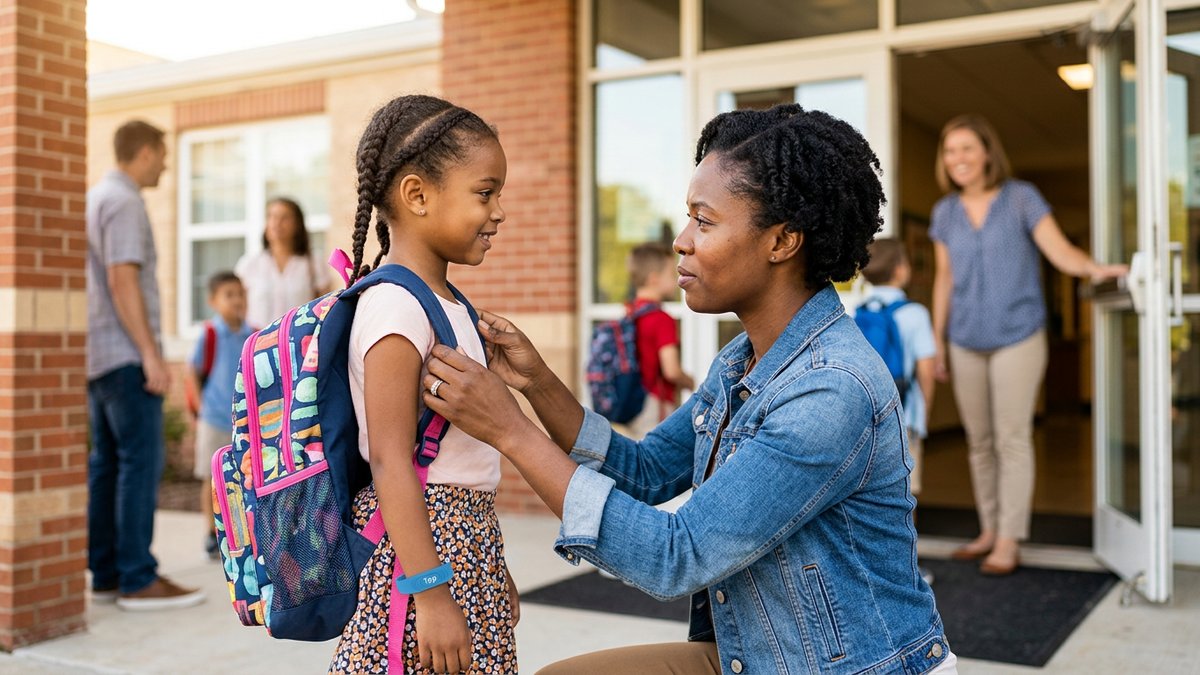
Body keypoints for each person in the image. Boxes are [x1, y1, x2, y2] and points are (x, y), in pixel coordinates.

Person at [423, 105, 956, 674]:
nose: (680, 241)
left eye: (704, 221)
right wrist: (538, 385)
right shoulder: (742, 359)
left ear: (782, 241)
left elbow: (676, 555)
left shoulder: (830, 388)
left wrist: (510, 429)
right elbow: (647, 471)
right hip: (761, 655)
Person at [327, 95, 518, 674]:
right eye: (485, 193)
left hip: (466, 540)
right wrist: (432, 593)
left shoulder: (450, 303)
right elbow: (389, 460)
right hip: (417, 556)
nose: (499, 212)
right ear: (417, 195)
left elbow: (464, 457)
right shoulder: (394, 309)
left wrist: (492, 564)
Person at [929, 114, 1127, 575]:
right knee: (979, 442)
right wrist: (938, 340)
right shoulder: (945, 212)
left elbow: (1058, 251)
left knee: (1012, 437)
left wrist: (1097, 270)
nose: (958, 158)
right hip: (965, 338)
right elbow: (944, 279)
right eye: (950, 150)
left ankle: (1009, 539)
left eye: (967, 148)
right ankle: (988, 528)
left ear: (987, 153)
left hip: (1018, 334)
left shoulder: (1021, 198)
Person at [86, 120, 205, 610]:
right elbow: (122, 280)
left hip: (99, 356)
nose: (167, 165)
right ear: (146, 152)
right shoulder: (124, 201)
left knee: (109, 464)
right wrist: (151, 355)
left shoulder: (97, 197)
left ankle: (109, 573)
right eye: (164, 155)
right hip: (126, 356)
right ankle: (138, 576)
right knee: (141, 462)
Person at [860, 237, 937, 585]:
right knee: (906, 493)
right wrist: (925, 413)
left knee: (872, 493)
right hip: (904, 416)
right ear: (902, 270)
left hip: (867, 419)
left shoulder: (859, 312)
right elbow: (926, 370)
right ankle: (905, 571)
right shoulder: (915, 314)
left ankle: (871, 566)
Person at [186, 271, 252, 561]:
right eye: (229, 295)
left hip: (244, 422)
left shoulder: (252, 334)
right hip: (213, 419)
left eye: (240, 293)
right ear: (213, 301)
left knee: (240, 478)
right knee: (210, 479)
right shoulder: (210, 335)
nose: (237, 300)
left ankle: (238, 533)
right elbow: (191, 370)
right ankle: (210, 534)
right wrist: (200, 408)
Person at [625, 241, 695, 438]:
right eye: (671, 275)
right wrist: (690, 381)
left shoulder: (631, 313)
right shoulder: (661, 319)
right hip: (656, 404)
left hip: (633, 400)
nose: (676, 280)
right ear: (654, 279)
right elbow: (671, 370)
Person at [235, 197, 328, 328]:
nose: (277, 223)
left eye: (285, 217)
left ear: (297, 224)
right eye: (272, 217)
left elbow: (325, 307)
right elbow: (237, 308)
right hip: (258, 342)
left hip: (299, 342)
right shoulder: (249, 264)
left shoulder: (314, 263)